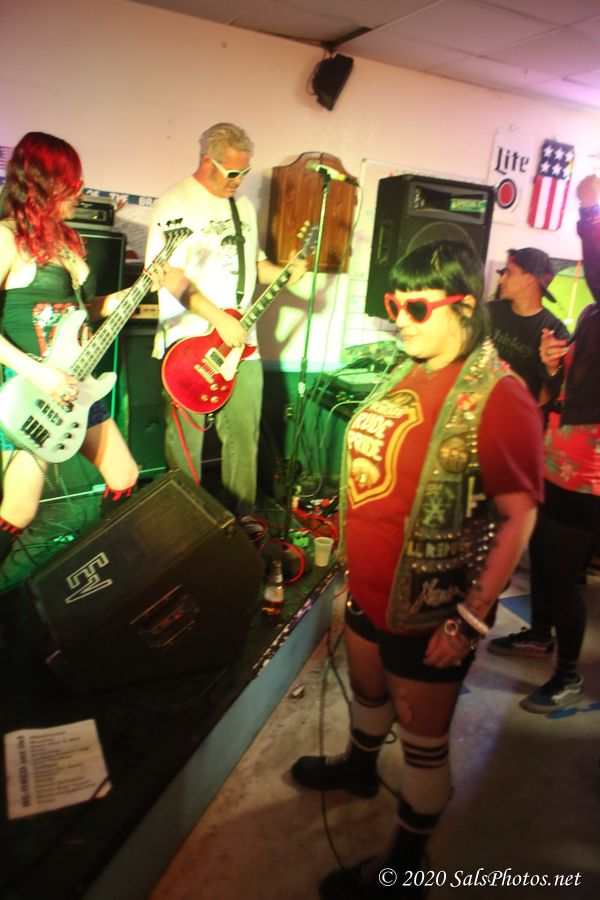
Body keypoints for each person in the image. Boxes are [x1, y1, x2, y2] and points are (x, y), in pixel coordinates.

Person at [291, 240, 544, 898]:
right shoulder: (406, 367)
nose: (399, 319)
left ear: (464, 306)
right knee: (369, 692)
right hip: (371, 585)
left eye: (416, 306)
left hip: (432, 604)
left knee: (423, 741)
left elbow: (519, 517)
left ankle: (406, 866)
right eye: (393, 303)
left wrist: (469, 619)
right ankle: (359, 769)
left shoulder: (499, 396)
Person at [145, 122, 306, 520]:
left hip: (241, 343)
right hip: (189, 344)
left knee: (243, 436)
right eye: (233, 172)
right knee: (186, 445)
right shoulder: (175, 202)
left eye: (245, 172)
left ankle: (243, 520)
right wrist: (218, 319)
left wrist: (288, 272)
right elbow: (169, 276)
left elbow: (257, 265)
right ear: (208, 162)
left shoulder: (244, 207)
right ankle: (185, 525)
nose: (240, 180)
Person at [0, 132, 144, 571]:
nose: (80, 192)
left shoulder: (66, 242)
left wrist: (141, 288)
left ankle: (93, 575)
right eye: (72, 183)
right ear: (43, 184)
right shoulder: (5, 238)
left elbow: (86, 310)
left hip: (77, 387)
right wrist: (40, 375)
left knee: (125, 476)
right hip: (30, 392)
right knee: (19, 510)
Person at [489, 175, 600, 713]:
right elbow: (574, 384)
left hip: (588, 471)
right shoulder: (592, 314)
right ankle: (538, 635)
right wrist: (556, 364)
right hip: (558, 455)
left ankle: (568, 675)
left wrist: (590, 210)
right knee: (544, 555)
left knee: (563, 573)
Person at [487, 247, 570, 402]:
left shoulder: (555, 330)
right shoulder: (490, 311)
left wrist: (552, 367)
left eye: (509, 273)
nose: (501, 279)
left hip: (517, 412)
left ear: (530, 279)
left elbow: (556, 391)